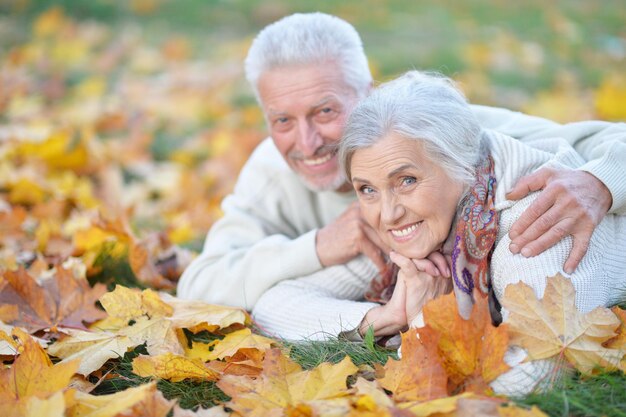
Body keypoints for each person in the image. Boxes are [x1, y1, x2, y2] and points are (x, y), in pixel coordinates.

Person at [177, 13, 626, 341]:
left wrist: (601, 182)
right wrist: (319, 247)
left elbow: (610, 139)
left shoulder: (450, 134)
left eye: (326, 111)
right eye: (283, 121)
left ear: (370, 95)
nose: (308, 141)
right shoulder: (272, 171)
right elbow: (201, 284)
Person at [338, 70, 626, 394]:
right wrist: (383, 316)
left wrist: (422, 317)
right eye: (367, 189)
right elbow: (277, 302)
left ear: (460, 165)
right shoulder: (431, 227)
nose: (388, 214)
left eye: (407, 181)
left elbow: (538, 376)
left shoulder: (531, 230)